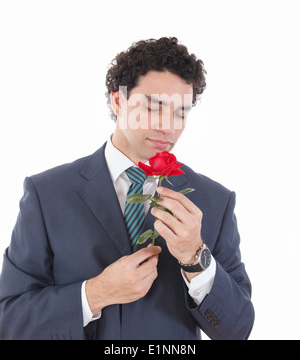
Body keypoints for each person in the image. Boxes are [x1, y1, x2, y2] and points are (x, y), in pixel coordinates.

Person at [0, 37, 254, 340]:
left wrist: (195, 257)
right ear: (118, 101)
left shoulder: (214, 201)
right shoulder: (46, 194)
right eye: (154, 107)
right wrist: (95, 294)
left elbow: (237, 329)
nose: (168, 127)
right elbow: (9, 320)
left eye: (181, 112)